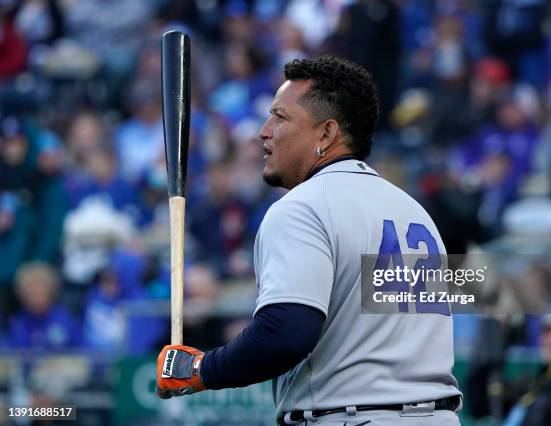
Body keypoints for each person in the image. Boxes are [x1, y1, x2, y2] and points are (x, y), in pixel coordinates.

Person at [155, 56, 461, 425]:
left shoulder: (303, 206)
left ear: (326, 134)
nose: (263, 131)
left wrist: (200, 368)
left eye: (280, 117)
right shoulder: (412, 211)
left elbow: (285, 334)